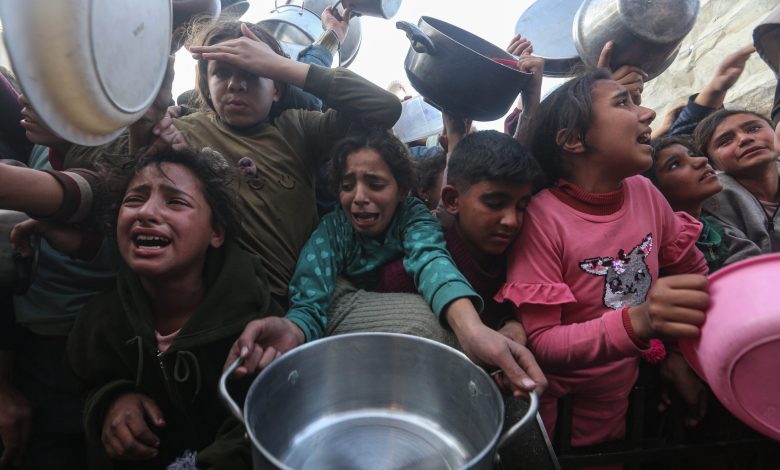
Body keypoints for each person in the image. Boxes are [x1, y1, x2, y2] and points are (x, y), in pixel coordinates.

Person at [226, 131, 545, 396]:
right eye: (347, 185)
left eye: (375, 184)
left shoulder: (415, 218)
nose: (359, 197)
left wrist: (474, 329)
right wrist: (293, 329)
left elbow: (431, 261)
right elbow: (310, 299)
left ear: (402, 190)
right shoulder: (333, 231)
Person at [497, 69, 710, 450]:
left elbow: (693, 273)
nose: (647, 113)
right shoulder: (543, 219)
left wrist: (678, 354)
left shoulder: (645, 193)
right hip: (550, 408)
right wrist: (639, 322)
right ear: (574, 140)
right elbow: (542, 342)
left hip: (620, 400)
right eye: (622, 103)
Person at [61, 148, 282, 469]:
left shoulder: (256, 322)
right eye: (134, 200)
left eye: (176, 202)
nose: (146, 212)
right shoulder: (99, 321)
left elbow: (265, 418)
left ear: (216, 232)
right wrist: (110, 401)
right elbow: (87, 386)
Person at [374, 130, 545, 384]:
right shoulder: (409, 272)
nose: (511, 221)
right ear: (452, 200)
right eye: (495, 203)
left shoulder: (518, 260)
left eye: (521, 207)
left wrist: (511, 323)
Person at [694, 108, 780, 264]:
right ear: (711, 163)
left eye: (753, 129)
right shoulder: (711, 206)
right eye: (726, 141)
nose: (744, 139)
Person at [646, 135, 731, 272]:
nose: (702, 160)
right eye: (675, 164)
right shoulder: (659, 255)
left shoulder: (714, 228)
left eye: (692, 155)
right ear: (653, 188)